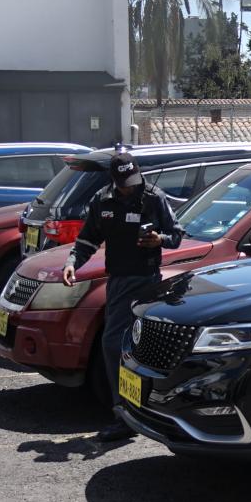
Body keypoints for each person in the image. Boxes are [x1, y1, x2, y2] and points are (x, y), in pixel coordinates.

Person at [63, 151, 183, 442]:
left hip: (148, 281)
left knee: (139, 346)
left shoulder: (154, 197)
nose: (130, 186)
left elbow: (177, 234)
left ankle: (145, 407)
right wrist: (71, 263)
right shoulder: (102, 201)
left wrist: (159, 240)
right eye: (124, 182)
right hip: (118, 282)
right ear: (114, 180)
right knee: (114, 344)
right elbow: (87, 240)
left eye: (133, 179)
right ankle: (123, 411)